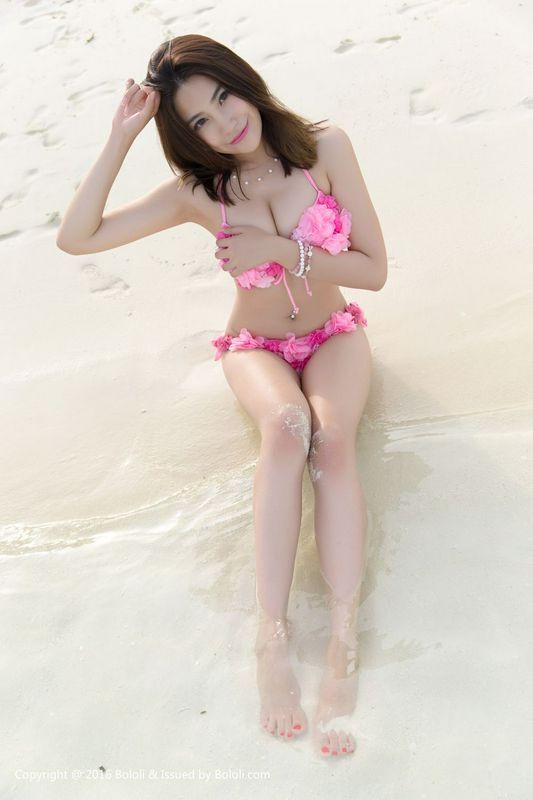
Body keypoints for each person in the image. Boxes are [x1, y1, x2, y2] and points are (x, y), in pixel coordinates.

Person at [56, 34, 388, 759]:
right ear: (187, 136)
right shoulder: (199, 193)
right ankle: (271, 637)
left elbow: (373, 270)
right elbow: (76, 238)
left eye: (224, 98)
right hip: (255, 347)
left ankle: (341, 637)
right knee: (288, 425)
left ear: (246, 84)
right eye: (199, 120)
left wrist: (281, 251)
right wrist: (120, 139)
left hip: (334, 334)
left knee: (332, 440)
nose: (224, 123)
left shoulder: (325, 148)